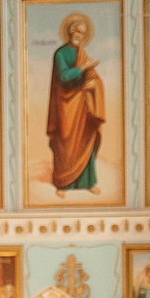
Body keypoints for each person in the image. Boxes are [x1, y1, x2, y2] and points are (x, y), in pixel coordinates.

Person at [47, 12, 107, 196]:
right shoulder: (60, 53)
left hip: (83, 105)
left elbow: (93, 78)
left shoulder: (83, 53)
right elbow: (64, 76)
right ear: (70, 32)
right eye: (77, 32)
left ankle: (89, 182)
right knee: (65, 143)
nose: (79, 36)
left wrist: (93, 84)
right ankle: (62, 184)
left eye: (82, 33)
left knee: (86, 138)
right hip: (66, 105)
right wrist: (83, 68)